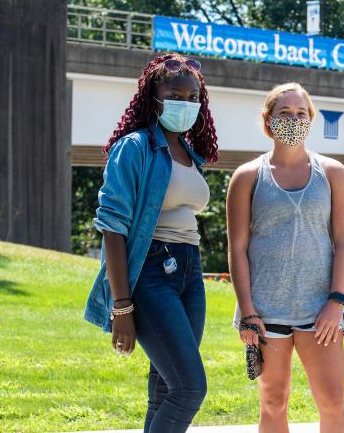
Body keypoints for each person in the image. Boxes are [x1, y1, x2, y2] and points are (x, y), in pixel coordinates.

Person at [83, 54, 219, 433]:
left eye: (193, 97)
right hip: (152, 273)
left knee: (165, 388)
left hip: (189, 271)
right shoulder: (135, 147)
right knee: (190, 388)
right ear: (153, 97)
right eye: (175, 94)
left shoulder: (190, 155)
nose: (185, 103)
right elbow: (113, 227)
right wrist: (122, 307)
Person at [226, 82, 344, 433]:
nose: (294, 120)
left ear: (311, 120)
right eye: (285, 113)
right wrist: (248, 312)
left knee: (331, 402)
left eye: (301, 113)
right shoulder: (248, 176)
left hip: (320, 310)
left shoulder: (333, 173)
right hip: (266, 312)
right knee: (273, 402)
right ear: (268, 121)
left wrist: (336, 301)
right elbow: (237, 248)